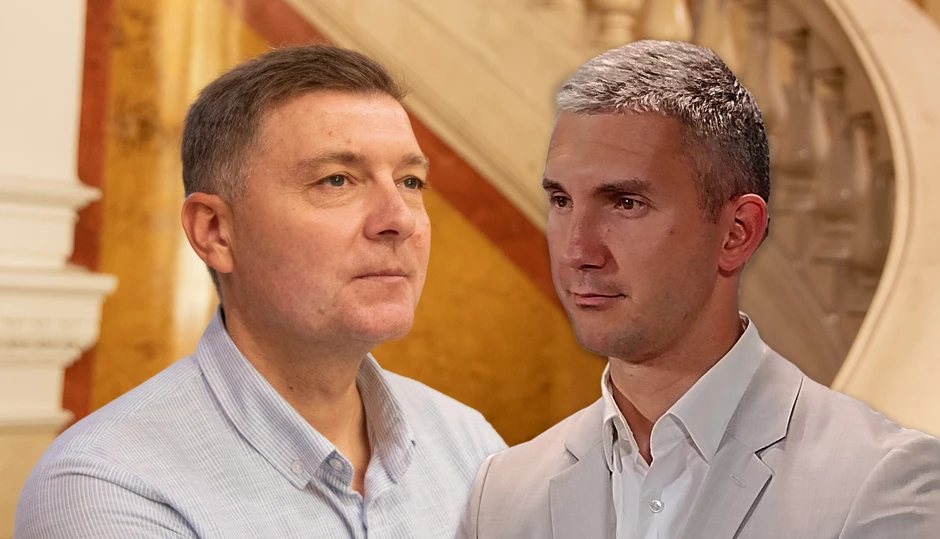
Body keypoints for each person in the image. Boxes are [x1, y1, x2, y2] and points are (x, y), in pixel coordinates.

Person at [16, 45, 505, 538]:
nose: (399, 219)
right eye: (336, 180)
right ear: (215, 232)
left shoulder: (468, 444)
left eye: (411, 181)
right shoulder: (108, 484)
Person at [457, 40, 940, 539]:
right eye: (561, 200)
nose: (577, 251)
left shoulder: (882, 483)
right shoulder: (502, 496)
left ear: (737, 233)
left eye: (626, 203)